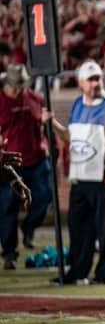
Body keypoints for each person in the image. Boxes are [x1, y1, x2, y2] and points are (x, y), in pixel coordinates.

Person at [48, 60, 105, 285]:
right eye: (91, 79)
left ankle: (104, 274)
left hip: (103, 174)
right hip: (80, 175)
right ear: (80, 82)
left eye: (98, 79)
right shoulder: (77, 104)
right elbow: (69, 138)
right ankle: (78, 272)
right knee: (78, 229)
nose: (96, 83)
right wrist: (52, 124)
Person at [0, 64, 52, 269]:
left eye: (21, 86)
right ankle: (10, 253)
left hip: (37, 160)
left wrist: (49, 144)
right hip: (9, 165)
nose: (19, 90)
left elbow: (43, 124)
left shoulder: (36, 98)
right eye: (15, 86)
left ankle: (29, 227)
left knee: (44, 197)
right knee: (7, 209)